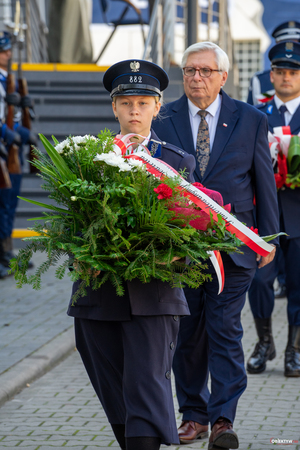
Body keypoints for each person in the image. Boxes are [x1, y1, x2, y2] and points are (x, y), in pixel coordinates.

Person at [152, 41, 279, 449]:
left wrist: (268, 238)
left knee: (224, 330)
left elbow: (263, 182)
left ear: (224, 76)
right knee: (187, 333)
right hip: (181, 248)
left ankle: (223, 419)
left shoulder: (251, 119)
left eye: (205, 71)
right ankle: (194, 415)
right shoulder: (163, 117)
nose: (196, 78)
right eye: (190, 70)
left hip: (234, 246)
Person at [67, 59, 196, 450]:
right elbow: (71, 223)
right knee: (114, 391)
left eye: (143, 102)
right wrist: (78, 250)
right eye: (126, 103)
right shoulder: (86, 159)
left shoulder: (176, 161)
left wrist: (177, 258)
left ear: (159, 106)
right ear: (114, 107)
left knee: (147, 386)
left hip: (154, 295)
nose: (134, 111)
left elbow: (192, 230)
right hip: (97, 295)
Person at [247, 41, 300, 378]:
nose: (285, 77)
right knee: (258, 280)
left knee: (298, 282)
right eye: (280, 71)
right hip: (263, 212)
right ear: (271, 75)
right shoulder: (256, 113)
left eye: (293, 72)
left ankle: (295, 349)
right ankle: (265, 341)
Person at [0, 31, 36, 279]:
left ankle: (6, 252)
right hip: (2, 152)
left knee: (10, 205)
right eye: (3, 51)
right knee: (2, 206)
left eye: (8, 50)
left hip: (12, 154)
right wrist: (5, 132)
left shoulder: (8, 80)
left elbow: (12, 118)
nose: (8, 54)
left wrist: (25, 130)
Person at [247, 21, 300, 106]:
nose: (286, 78)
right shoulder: (260, 80)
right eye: (285, 43)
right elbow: (251, 113)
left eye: (297, 44)